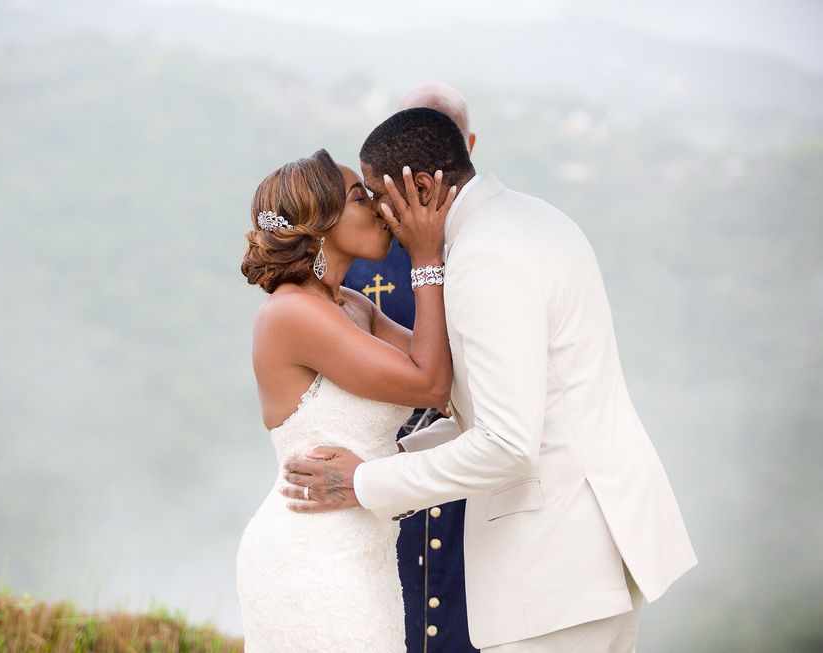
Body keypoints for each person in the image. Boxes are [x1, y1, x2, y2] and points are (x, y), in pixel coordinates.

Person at [283, 109, 697, 652]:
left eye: (379, 198)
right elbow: (515, 404)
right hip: (597, 553)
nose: (382, 219)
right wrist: (394, 452)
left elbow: (506, 443)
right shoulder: (533, 219)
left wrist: (365, 484)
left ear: (424, 188)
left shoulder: (484, 258)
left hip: (553, 567)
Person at [235, 148, 458, 652]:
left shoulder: (352, 305)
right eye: (362, 197)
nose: (380, 208)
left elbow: (452, 375)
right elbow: (429, 384)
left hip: (365, 551)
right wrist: (424, 258)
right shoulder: (290, 313)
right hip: (310, 555)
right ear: (321, 222)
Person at [342, 81, 479, 652]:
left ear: (463, 145)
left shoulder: (483, 246)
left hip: (477, 490)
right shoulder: (360, 259)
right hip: (380, 484)